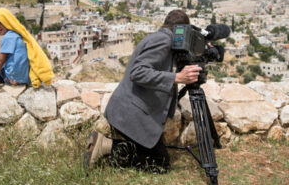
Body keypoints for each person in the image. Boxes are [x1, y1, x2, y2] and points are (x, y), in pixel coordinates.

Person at [84, 10, 202, 172]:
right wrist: (178, 77)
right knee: (160, 163)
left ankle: (109, 146)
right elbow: (138, 72)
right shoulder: (163, 40)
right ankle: (106, 146)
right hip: (131, 113)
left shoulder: (158, 37)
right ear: (182, 30)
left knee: (155, 155)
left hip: (130, 109)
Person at [0, 8, 54, 90]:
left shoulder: (8, 37)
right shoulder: (20, 34)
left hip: (15, 79)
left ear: (6, 21)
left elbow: (0, 61)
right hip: (27, 79)